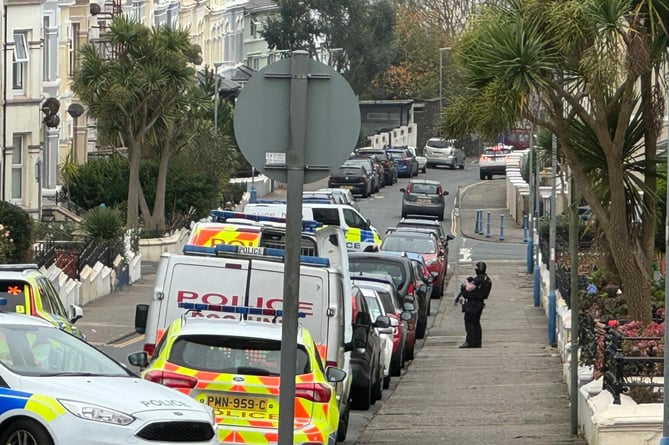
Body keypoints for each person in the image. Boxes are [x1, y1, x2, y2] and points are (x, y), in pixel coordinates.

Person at [457, 261, 492, 348]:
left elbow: (468, 289)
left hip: (473, 303)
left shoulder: (478, 280)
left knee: (469, 322)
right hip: (480, 303)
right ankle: (477, 342)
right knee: (476, 322)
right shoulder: (487, 279)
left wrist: (464, 286)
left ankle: (470, 341)